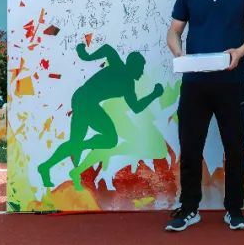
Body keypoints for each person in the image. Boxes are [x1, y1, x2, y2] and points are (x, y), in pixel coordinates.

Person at [164, 0, 244, 232]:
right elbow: (174, 31)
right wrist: (179, 54)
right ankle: (189, 208)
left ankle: (234, 209)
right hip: (194, 83)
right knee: (190, 146)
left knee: (234, 147)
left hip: (232, 82)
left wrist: (239, 52)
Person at [37, 42, 164, 190]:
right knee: (109, 139)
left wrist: (154, 95)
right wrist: (85, 56)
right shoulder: (118, 66)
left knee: (86, 142)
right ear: (133, 66)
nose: (142, 72)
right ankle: (76, 148)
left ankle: (46, 166)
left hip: (85, 101)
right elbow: (108, 49)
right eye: (141, 68)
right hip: (85, 100)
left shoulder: (129, 85)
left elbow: (135, 107)